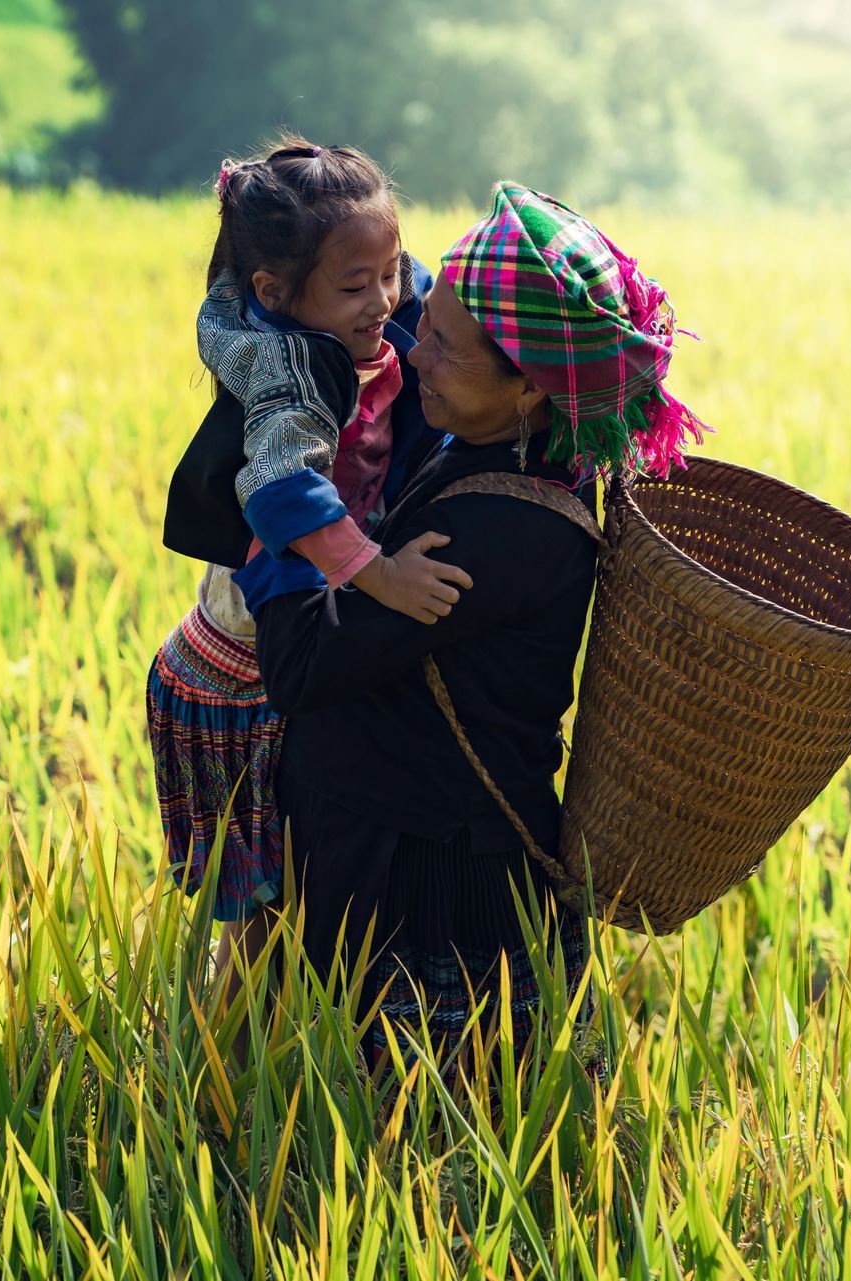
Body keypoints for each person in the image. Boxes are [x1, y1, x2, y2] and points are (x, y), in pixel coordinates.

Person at [235, 181, 707, 1070]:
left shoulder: (495, 531)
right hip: (408, 843)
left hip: (421, 882)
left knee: (397, 1146)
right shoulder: (509, 445)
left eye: (445, 347)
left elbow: (298, 664)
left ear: (529, 386)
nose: (416, 357)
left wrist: (274, 517)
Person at [150, 137, 464, 984]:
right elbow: (283, 492)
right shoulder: (293, 375)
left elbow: (416, 284)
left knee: (296, 896)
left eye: (390, 272)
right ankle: (226, 1070)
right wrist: (382, 573)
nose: (385, 300)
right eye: (356, 286)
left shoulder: (346, 303)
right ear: (275, 295)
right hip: (243, 674)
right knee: (263, 923)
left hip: (285, 624)